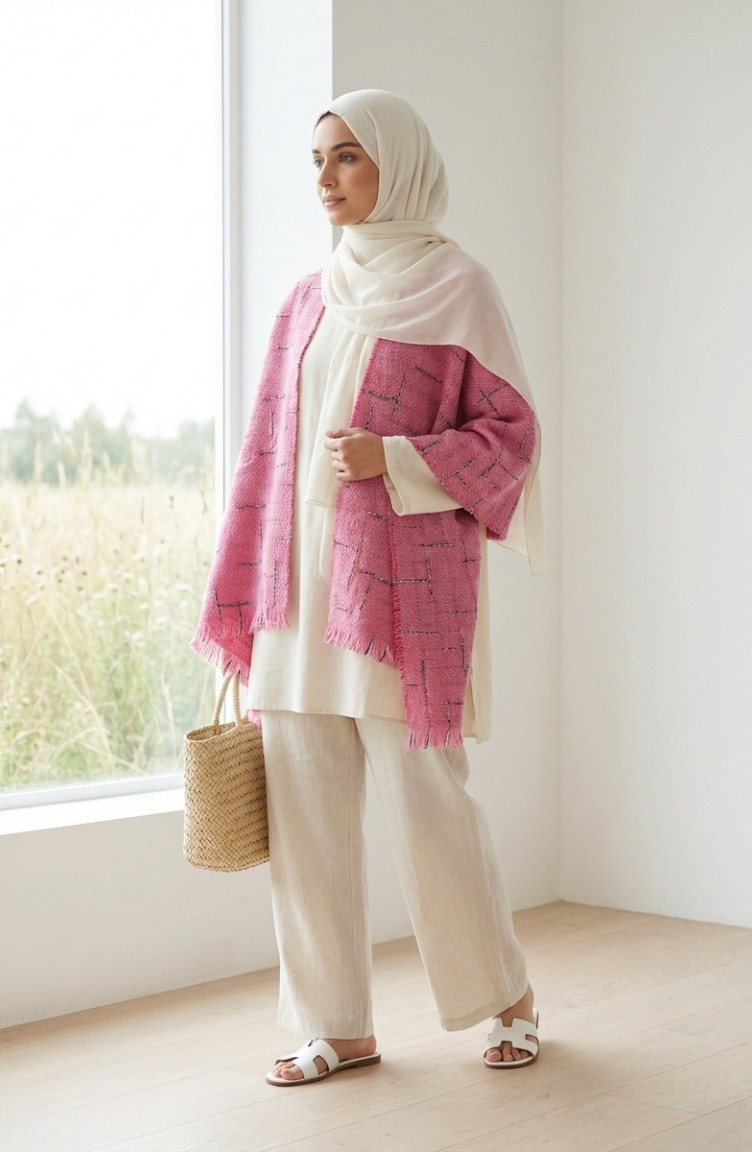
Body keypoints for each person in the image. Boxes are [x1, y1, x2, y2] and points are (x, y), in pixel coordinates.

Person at [191, 89, 545, 1086]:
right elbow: (265, 454)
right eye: (318, 159)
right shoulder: (307, 297)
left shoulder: (458, 288)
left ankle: (506, 997)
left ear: (399, 164)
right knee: (303, 810)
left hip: (400, 599)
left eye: (347, 155)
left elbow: (510, 438)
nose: (326, 177)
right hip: (295, 592)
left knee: (429, 803)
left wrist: (393, 457)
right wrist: (241, 590)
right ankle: (334, 1024)